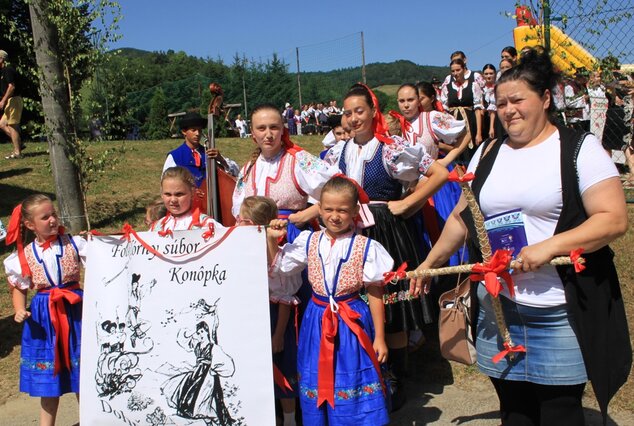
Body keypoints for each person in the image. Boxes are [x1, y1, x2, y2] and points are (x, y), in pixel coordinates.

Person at [412, 48, 631, 425]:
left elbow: (612, 219)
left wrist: (549, 247)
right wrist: (428, 263)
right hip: (499, 308)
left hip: (558, 309)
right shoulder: (489, 151)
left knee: (559, 413)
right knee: (514, 413)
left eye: (517, 100)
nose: (508, 109)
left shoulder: (578, 148)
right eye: (500, 103)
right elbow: (464, 218)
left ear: (545, 99)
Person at [324, 83, 448, 409]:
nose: (352, 118)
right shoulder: (337, 152)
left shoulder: (391, 147)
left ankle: (396, 377)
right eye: (347, 113)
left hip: (385, 232)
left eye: (359, 111)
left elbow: (437, 173)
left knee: (391, 306)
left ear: (373, 111)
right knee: (358, 304)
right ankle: (365, 375)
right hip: (349, 234)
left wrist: (407, 206)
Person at [267, 176, 393, 425]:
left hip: (352, 321)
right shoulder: (310, 241)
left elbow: (376, 294)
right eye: (328, 209)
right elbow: (280, 267)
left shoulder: (366, 246)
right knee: (318, 374)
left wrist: (379, 337)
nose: (334, 216)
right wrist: (272, 241)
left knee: (350, 375)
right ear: (320, 209)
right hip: (316, 319)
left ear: (355, 211)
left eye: (342, 210)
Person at [4, 194, 86, 426]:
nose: (52, 220)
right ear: (30, 224)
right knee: (48, 380)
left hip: (75, 310)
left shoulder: (74, 243)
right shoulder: (25, 255)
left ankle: (89, 419)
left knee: (82, 373)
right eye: (45, 217)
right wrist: (19, 309)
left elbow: (101, 262)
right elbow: (19, 287)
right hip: (44, 318)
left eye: (54, 214)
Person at [232, 103, 335, 244]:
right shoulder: (248, 169)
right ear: (253, 132)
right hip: (255, 241)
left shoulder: (299, 160)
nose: (268, 134)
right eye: (261, 128)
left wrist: (305, 216)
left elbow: (337, 192)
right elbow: (238, 210)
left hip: (291, 238)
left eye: (273, 127)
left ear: (282, 129)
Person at [238, 196, 300, 426]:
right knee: (259, 371)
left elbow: (284, 299)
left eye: (242, 220)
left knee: (283, 368)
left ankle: (290, 419)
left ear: (258, 225)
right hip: (254, 317)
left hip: (276, 319)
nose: (237, 225)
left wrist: (278, 335)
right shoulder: (242, 248)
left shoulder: (281, 252)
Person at [163, 111, 239, 214]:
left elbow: (235, 171)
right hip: (186, 208)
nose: (197, 134)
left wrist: (221, 160)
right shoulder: (174, 156)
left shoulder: (208, 152)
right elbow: (166, 184)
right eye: (193, 130)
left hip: (211, 205)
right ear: (184, 132)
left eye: (199, 130)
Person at [150, 166, 224, 232]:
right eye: (168, 194)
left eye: (179, 194)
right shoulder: (156, 228)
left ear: (192, 193)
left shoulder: (206, 225)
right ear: (162, 194)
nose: (173, 200)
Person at [441, 58, 484, 163]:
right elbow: (445, 111)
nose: (455, 73)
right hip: (454, 122)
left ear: (464, 69)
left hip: (469, 121)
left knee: (471, 150)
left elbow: (478, 109)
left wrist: (479, 132)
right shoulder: (447, 87)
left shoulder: (473, 85)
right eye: (453, 71)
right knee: (456, 150)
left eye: (458, 70)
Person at [0, 50, 24, 159]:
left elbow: (11, 87)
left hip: (13, 100)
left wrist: (3, 101)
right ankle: (19, 143)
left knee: (12, 126)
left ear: (1, 59)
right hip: (10, 101)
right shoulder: (3, 71)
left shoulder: (7, 70)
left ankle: (17, 152)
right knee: (2, 124)